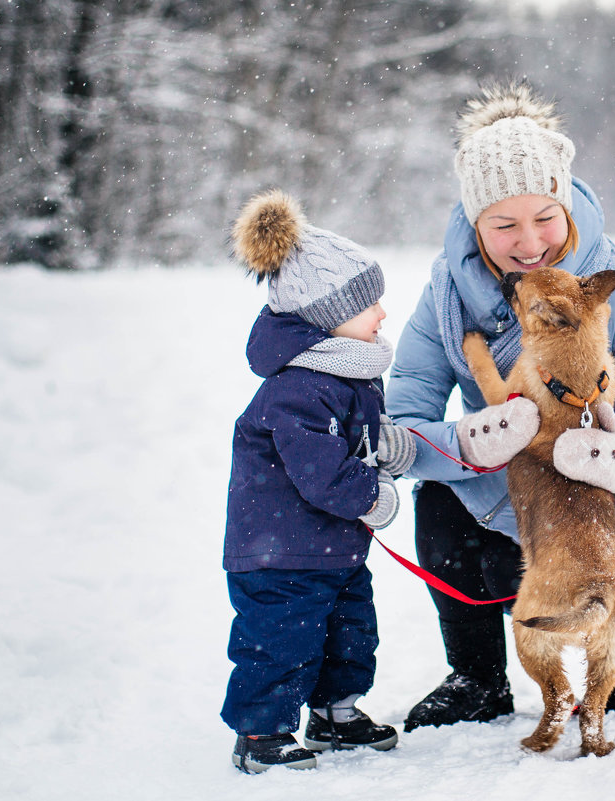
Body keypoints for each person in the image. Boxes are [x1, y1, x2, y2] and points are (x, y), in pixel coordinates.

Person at [386, 82, 615, 732]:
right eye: (504, 224)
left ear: (568, 205)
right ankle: (477, 678)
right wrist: (466, 443)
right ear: (475, 223)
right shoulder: (446, 299)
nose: (529, 241)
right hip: (522, 487)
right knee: (442, 497)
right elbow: (403, 421)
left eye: (544, 218)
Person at [222, 189, 419, 773]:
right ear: (329, 319)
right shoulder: (297, 388)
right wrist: (373, 497)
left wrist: (385, 444)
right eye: (370, 304)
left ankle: (336, 711)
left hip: (330, 547)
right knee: (280, 642)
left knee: (350, 631)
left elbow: (348, 439)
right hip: (279, 553)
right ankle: (261, 733)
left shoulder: (346, 374)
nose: (383, 313)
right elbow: (321, 471)